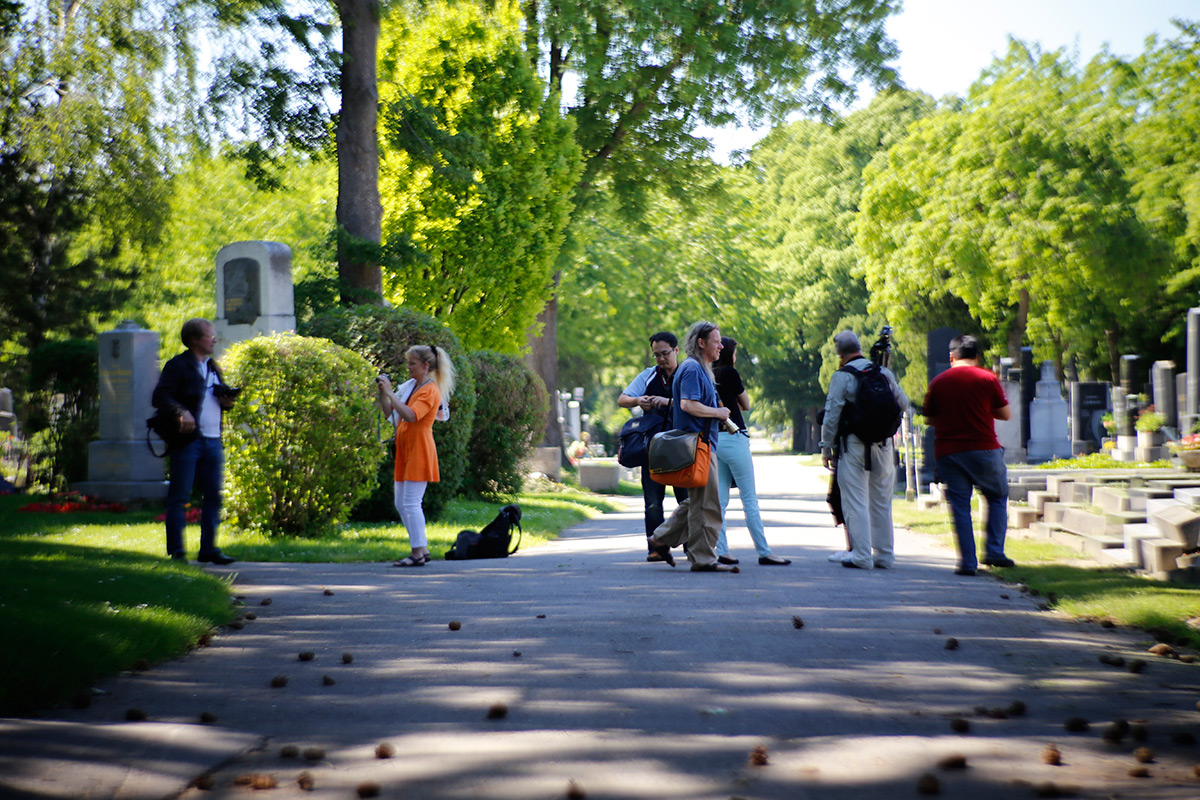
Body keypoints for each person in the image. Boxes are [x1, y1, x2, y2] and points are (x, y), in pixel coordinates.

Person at [922, 335, 1013, 576]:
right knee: (996, 496)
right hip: (983, 448)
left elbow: (929, 418)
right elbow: (1005, 414)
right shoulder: (986, 378)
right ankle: (993, 551)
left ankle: (967, 562)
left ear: (951, 357)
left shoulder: (938, 382)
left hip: (949, 452)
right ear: (976, 357)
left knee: (960, 506)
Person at [647, 321, 733, 572]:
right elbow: (687, 404)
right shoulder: (693, 369)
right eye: (717, 341)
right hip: (698, 446)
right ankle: (703, 558)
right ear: (701, 342)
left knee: (698, 502)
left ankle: (660, 539)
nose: (721, 345)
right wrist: (718, 412)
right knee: (708, 505)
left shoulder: (699, 369)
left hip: (702, 445)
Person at [819, 330, 909, 570]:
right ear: (859, 347)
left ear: (839, 353)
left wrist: (826, 447)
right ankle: (885, 555)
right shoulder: (882, 372)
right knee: (882, 501)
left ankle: (861, 555)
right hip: (884, 444)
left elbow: (832, 415)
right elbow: (904, 403)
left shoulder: (843, 376)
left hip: (854, 444)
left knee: (855, 500)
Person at [152, 318, 238, 564]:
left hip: (213, 441)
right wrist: (181, 411)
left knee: (214, 496)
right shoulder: (178, 366)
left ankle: (208, 549)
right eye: (209, 335)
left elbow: (218, 399)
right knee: (180, 496)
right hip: (188, 441)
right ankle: (177, 552)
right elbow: (160, 396)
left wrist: (227, 402)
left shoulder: (212, 366)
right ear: (193, 340)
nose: (214, 339)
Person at [712, 336, 790, 566]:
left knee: (720, 500)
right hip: (735, 438)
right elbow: (745, 404)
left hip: (716, 439)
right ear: (729, 354)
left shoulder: (707, 373)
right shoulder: (730, 373)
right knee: (749, 499)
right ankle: (765, 552)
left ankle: (722, 550)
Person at [376, 345, 456, 567]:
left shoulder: (430, 390)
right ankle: (421, 549)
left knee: (411, 503)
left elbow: (411, 416)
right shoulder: (412, 387)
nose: (408, 368)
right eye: (408, 363)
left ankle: (417, 552)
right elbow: (390, 414)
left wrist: (392, 393)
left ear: (426, 365)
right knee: (402, 504)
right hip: (405, 449)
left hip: (419, 449)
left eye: (412, 363)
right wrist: (385, 395)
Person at [618, 332, 688, 561]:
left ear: (676, 350)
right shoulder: (649, 375)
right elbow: (622, 399)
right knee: (652, 503)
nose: (660, 359)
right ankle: (656, 548)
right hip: (653, 449)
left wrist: (667, 402)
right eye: (656, 355)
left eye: (665, 353)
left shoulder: (688, 373)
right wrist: (639, 400)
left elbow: (696, 403)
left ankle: (691, 546)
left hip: (682, 447)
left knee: (686, 501)